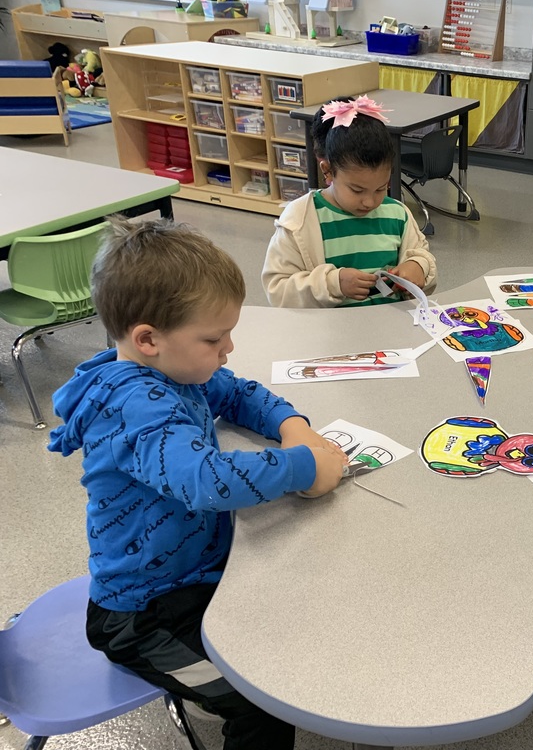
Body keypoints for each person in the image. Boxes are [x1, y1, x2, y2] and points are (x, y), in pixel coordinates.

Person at [48, 218, 348, 750]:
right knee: (260, 701)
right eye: (214, 338)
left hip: (196, 574)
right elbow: (206, 482)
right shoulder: (136, 407)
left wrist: (292, 427)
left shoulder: (175, 370)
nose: (228, 348)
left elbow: (236, 392)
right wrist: (303, 466)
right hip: (141, 617)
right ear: (148, 339)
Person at [263, 95, 437, 308]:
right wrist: (333, 283)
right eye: (357, 189)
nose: (370, 201)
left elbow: (421, 254)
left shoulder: (397, 214)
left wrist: (418, 266)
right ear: (328, 171)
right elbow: (278, 290)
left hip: (392, 330)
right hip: (330, 335)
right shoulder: (300, 220)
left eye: (382, 188)